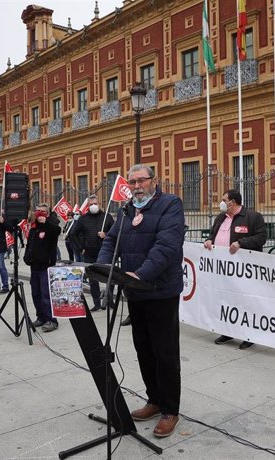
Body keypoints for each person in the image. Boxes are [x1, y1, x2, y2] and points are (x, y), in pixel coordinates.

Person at [97, 164, 185, 438]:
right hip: (135, 293)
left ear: (153, 181)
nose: (136, 186)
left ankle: (170, 410)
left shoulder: (170, 205)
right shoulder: (126, 211)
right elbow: (111, 241)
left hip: (160, 292)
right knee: (144, 351)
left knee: (165, 353)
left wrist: (141, 274)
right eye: (132, 181)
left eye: (141, 181)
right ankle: (154, 400)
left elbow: (166, 247)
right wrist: (102, 267)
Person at [204, 189, 267, 350]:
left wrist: (241, 243)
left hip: (244, 271)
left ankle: (248, 335)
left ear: (233, 202)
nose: (222, 202)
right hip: (223, 271)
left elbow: (261, 238)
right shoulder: (220, 217)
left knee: (245, 302)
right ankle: (227, 331)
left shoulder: (252, 217)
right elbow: (212, 234)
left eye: (224, 199)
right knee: (226, 300)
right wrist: (209, 240)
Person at [71, 196, 114, 310]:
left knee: (109, 277)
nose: (93, 206)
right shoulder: (83, 219)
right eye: (91, 204)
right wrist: (81, 248)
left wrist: (106, 235)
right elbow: (73, 234)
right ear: (88, 206)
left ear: (99, 204)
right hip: (89, 253)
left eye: (95, 203)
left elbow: (115, 233)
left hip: (105, 253)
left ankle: (110, 301)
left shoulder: (107, 217)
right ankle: (97, 304)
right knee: (93, 280)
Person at [23, 203, 61, 332]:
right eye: (37, 210)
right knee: (36, 294)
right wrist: (27, 257)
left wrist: (46, 222)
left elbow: (57, 231)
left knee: (46, 295)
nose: (39, 213)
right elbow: (30, 244)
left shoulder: (51, 225)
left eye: (42, 211)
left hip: (46, 266)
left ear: (48, 213)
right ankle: (41, 317)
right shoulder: (34, 227)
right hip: (34, 266)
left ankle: (52, 320)